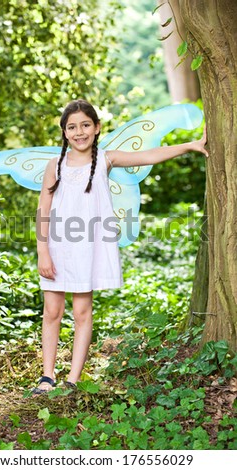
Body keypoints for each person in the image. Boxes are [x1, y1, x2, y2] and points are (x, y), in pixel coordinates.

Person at [33, 99, 208, 394]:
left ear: (97, 127)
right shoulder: (55, 165)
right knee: (52, 311)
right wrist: (43, 251)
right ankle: (46, 376)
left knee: (82, 312)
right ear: (64, 132)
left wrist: (189, 145)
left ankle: (73, 379)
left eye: (85, 125)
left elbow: (149, 155)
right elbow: (44, 208)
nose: (79, 132)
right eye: (72, 127)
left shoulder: (106, 159)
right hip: (58, 246)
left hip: (87, 248)